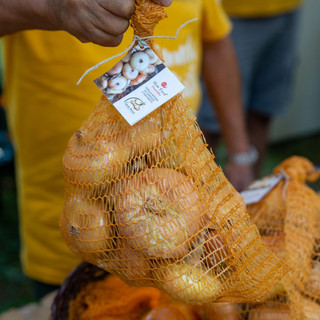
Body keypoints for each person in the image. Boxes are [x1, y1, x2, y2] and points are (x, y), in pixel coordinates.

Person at [0, 0, 252, 299]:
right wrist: (52, 8)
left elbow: (214, 43)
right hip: (68, 223)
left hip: (180, 232)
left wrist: (239, 151)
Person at [198, 0, 303, 182]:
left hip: (287, 7)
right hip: (230, 11)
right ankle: (194, 201)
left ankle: (249, 198)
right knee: (208, 125)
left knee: (263, 110)